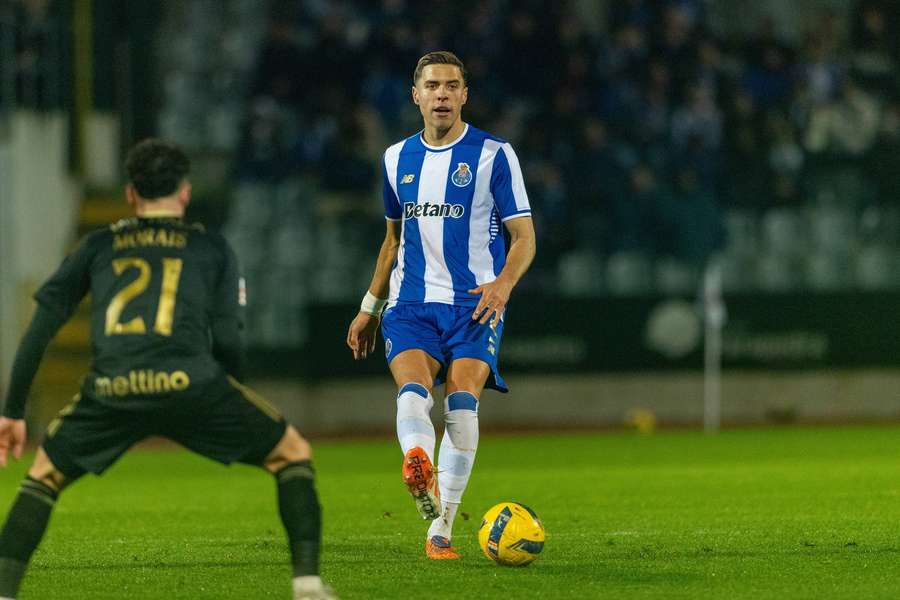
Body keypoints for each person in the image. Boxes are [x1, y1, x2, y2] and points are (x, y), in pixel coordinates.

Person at [0, 140, 336, 600]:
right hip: (193, 384)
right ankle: (307, 585)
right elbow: (229, 337)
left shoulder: (97, 245)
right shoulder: (210, 247)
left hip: (113, 387)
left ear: (131, 194)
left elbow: (39, 330)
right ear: (184, 193)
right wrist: (225, 394)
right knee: (291, 453)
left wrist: (13, 412)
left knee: (43, 476)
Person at [346, 51, 537, 560]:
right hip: (409, 304)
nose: (442, 94)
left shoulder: (494, 155)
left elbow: (524, 238)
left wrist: (502, 286)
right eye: (432, 86)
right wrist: (369, 305)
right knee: (412, 392)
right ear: (416, 95)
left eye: (452, 86)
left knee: (461, 403)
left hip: (474, 304)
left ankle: (440, 528)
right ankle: (417, 462)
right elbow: (392, 241)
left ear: (464, 95)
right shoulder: (394, 159)